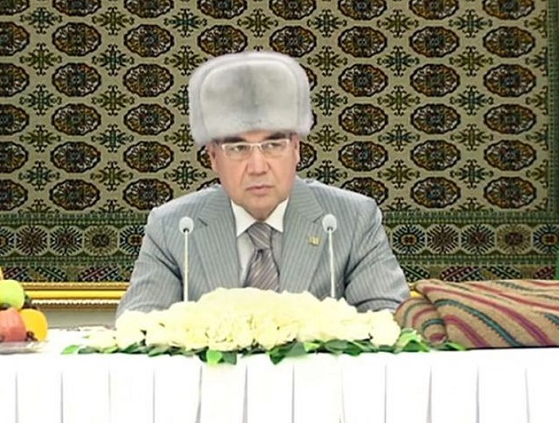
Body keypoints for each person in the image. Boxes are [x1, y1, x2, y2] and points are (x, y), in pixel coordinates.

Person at [116, 51, 409, 318]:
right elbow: (137, 330)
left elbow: (389, 323)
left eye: (273, 145)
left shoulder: (353, 219)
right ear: (213, 157)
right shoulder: (172, 228)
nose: (257, 167)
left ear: (296, 149)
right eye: (238, 148)